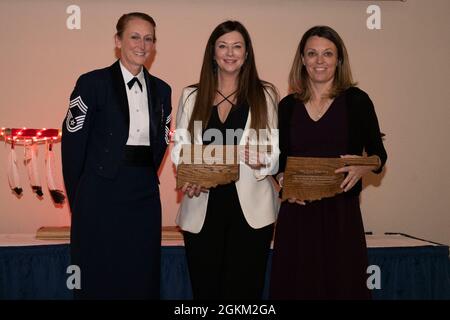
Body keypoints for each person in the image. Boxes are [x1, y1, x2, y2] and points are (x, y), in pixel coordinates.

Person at [269, 25, 387, 300]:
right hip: (297, 216)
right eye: (312, 53)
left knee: (342, 287)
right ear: (302, 60)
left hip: (341, 216)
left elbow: (379, 154)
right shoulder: (287, 106)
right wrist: (283, 182)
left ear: (339, 60)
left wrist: (364, 165)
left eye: (327, 54)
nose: (319, 61)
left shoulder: (358, 101)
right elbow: (277, 161)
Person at [61, 12, 172, 299]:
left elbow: (161, 143)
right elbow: (73, 146)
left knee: (141, 273)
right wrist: (81, 198)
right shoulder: (91, 83)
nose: (142, 45)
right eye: (135, 36)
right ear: (117, 41)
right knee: (97, 274)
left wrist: (146, 177)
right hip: (99, 192)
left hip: (144, 195)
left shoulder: (163, 90)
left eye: (149, 39)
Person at [171, 20, 279, 300]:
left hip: (251, 213)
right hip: (202, 207)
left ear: (247, 54)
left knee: (244, 293)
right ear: (213, 53)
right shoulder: (191, 95)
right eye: (223, 46)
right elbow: (179, 150)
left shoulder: (265, 94)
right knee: (206, 291)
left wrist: (259, 160)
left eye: (237, 46)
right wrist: (188, 178)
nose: (230, 53)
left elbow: (275, 159)